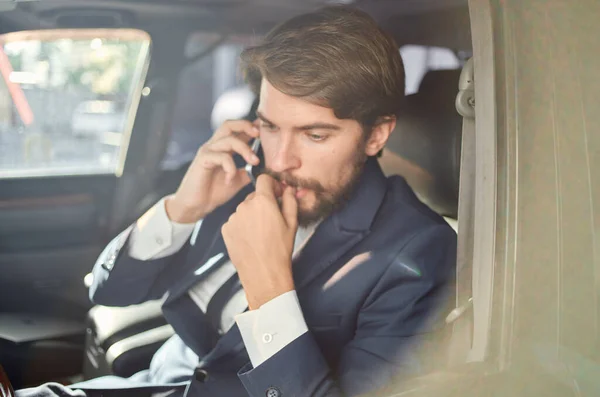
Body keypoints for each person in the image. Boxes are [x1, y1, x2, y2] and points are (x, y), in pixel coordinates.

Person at [17, 5, 456, 397]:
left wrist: (269, 285)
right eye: (269, 126)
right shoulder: (238, 178)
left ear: (376, 135)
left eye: (315, 134)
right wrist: (182, 209)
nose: (280, 160)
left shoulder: (420, 252)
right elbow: (109, 290)